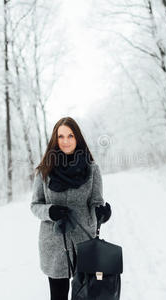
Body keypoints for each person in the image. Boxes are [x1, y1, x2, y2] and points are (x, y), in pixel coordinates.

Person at [30, 116, 111, 300]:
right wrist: (50, 211)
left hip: (84, 242)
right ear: (55, 139)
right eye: (61, 137)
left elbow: (96, 201)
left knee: (86, 294)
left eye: (70, 136)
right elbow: (35, 205)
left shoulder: (92, 169)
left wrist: (101, 213)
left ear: (78, 138)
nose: (66, 141)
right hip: (54, 246)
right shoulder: (44, 170)